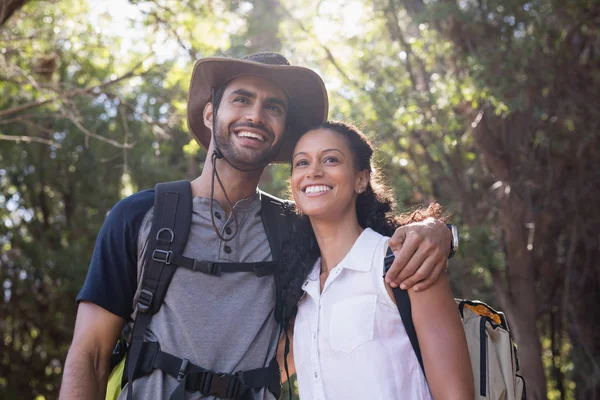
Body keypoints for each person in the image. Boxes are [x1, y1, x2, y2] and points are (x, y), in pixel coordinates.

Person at [59, 53, 455, 400]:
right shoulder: (138, 216)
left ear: (282, 131)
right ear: (211, 113)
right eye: (242, 99)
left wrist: (439, 232)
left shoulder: (296, 228)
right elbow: (89, 355)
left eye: (274, 107)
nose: (256, 116)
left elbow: (365, 253)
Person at [279, 121, 473, 399]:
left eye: (331, 159)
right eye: (302, 163)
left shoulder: (404, 263)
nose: (314, 172)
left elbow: (456, 396)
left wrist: (441, 231)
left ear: (361, 180)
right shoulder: (301, 291)